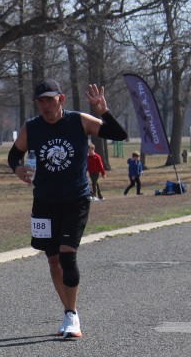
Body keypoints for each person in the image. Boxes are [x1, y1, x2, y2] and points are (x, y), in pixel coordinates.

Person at [9, 79, 128, 339]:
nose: (45, 106)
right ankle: (68, 312)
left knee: (67, 255)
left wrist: (103, 112)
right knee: (53, 260)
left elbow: (119, 135)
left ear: (61, 99)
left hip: (75, 200)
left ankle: (72, 315)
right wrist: (17, 168)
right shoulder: (32, 127)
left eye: (50, 100)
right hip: (44, 203)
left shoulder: (79, 121)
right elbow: (13, 155)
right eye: (41, 101)